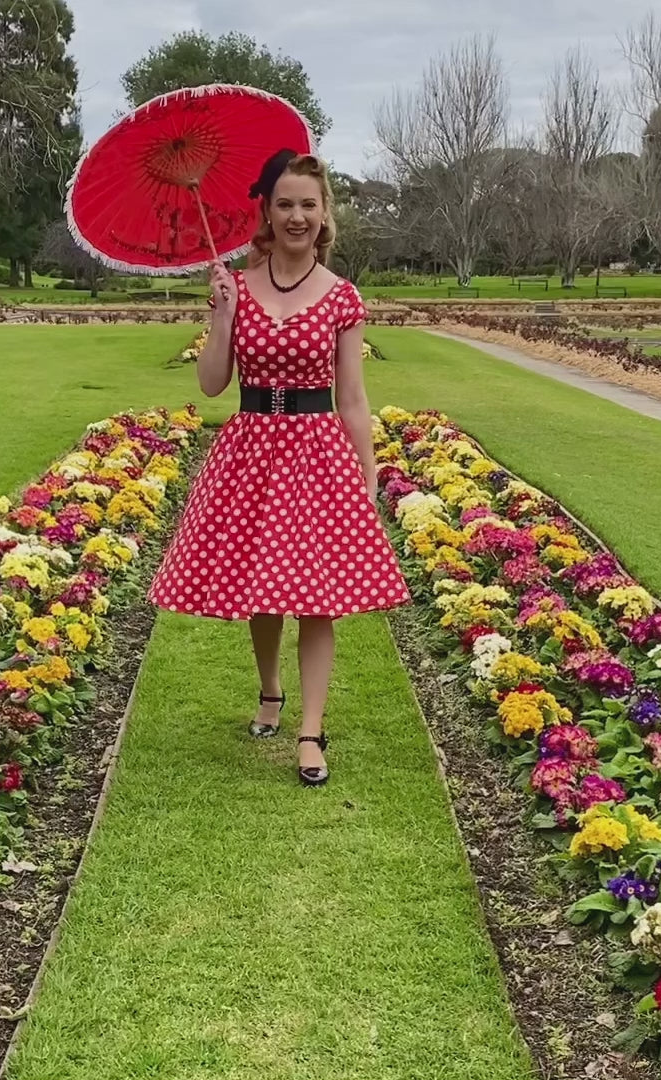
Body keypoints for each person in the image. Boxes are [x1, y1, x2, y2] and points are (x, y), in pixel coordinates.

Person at [147, 149, 410, 787]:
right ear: (266, 210)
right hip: (251, 447)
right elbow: (212, 386)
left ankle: (311, 731)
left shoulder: (342, 297)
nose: (297, 216)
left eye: (308, 206)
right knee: (261, 591)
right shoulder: (234, 286)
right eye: (285, 204)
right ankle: (270, 692)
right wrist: (220, 318)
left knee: (316, 601)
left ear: (325, 217)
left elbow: (352, 397)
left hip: (319, 453)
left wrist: (367, 474)